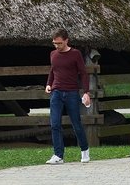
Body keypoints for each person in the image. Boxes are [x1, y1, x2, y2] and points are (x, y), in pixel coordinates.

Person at [45, 28, 91, 164]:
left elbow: (83, 73)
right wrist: (48, 84)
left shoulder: (75, 54)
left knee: (76, 123)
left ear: (66, 40)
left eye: (59, 43)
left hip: (71, 92)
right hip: (56, 92)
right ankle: (58, 155)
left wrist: (86, 92)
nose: (57, 46)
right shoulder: (53, 54)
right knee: (55, 124)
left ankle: (84, 150)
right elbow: (53, 70)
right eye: (54, 43)